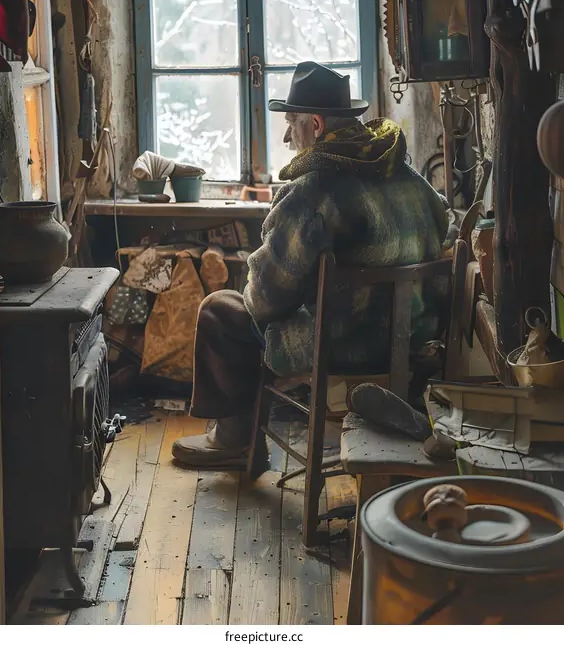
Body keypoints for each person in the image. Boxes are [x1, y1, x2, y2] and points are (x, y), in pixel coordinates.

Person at [172, 61, 449, 469]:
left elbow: (265, 299)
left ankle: (234, 440)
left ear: (316, 126)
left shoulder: (313, 191)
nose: (287, 136)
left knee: (220, 310)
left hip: (344, 346)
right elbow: (444, 227)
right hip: (412, 339)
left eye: (291, 123)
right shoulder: (407, 176)